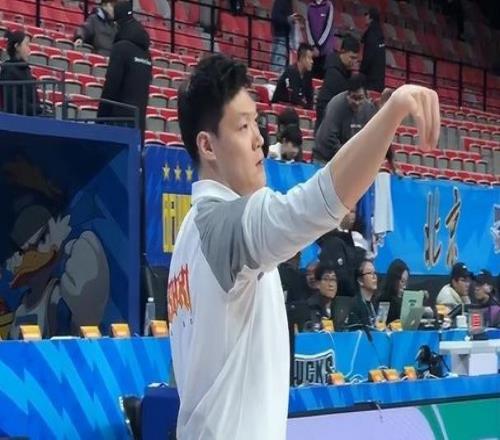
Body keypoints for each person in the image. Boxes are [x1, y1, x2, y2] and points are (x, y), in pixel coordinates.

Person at [169, 52, 439, 438]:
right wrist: (391, 114)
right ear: (207, 146)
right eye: (243, 126)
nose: (259, 138)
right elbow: (320, 202)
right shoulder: (225, 226)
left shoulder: (189, 233)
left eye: (257, 123)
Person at [97, 1, 152, 140]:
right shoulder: (147, 55)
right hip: (138, 125)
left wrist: (100, 119)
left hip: (118, 123)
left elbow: (111, 86)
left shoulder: (121, 48)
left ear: (117, 23)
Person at [313, 74, 377, 164]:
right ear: (348, 95)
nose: (357, 103)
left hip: (348, 157)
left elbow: (372, 134)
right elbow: (329, 137)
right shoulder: (336, 105)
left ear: (366, 96)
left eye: (360, 98)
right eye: (354, 98)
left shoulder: (369, 109)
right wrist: (348, 157)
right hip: (325, 157)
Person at [315, 34, 360, 130]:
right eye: (351, 57)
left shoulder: (346, 72)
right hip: (326, 122)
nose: (353, 61)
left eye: (355, 58)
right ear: (342, 52)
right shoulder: (334, 73)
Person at [0, 30, 42, 116]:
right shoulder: (8, 70)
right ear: (17, 46)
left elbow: (35, 99)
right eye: (26, 45)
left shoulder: (27, 71)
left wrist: (37, 109)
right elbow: (11, 102)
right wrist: (35, 109)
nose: (29, 50)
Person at [272, 43, 314, 109]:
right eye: (309, 58)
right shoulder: (291, 71)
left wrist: (309, 107)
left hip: (296, 107)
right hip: (281, 106)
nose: (312, 61)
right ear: (302, 58)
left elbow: (309, 97)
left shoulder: (307, 75)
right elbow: (293, 97)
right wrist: (305, 106)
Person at [306, 0, 335, 79]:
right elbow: (308, 27)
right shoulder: (310, 7)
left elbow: (328, 27)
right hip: (313, 51)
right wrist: (313, 45)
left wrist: (318, 45)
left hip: (325, 51)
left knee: (323, 78)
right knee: (312, 77)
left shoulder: (328, 5)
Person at [360, 7, 386, 92]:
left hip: (370, 79)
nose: (365, 17)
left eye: (367, 15)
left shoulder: (371, 34)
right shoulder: (380, 33)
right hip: (379, 78)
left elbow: (368, 56)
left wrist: (361, 72)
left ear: (371, 17)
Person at [347, 259, 378, 327]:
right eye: (370, 273)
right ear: (360, 280)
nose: (374, 277)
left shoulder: (376, 304)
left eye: (375, 272)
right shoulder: (355, 306)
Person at [307, 264, 338, 329]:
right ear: (317, 283)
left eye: (333, 279)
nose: (331, 284)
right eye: (326, 279)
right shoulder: (310, 307)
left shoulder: (342, 307)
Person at [379, 258, 409, 323]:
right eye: (402, 281)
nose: (404, 287)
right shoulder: (383, 300)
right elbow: (381, 325)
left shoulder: (402, 302)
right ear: (394, 280)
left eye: (406, 283)